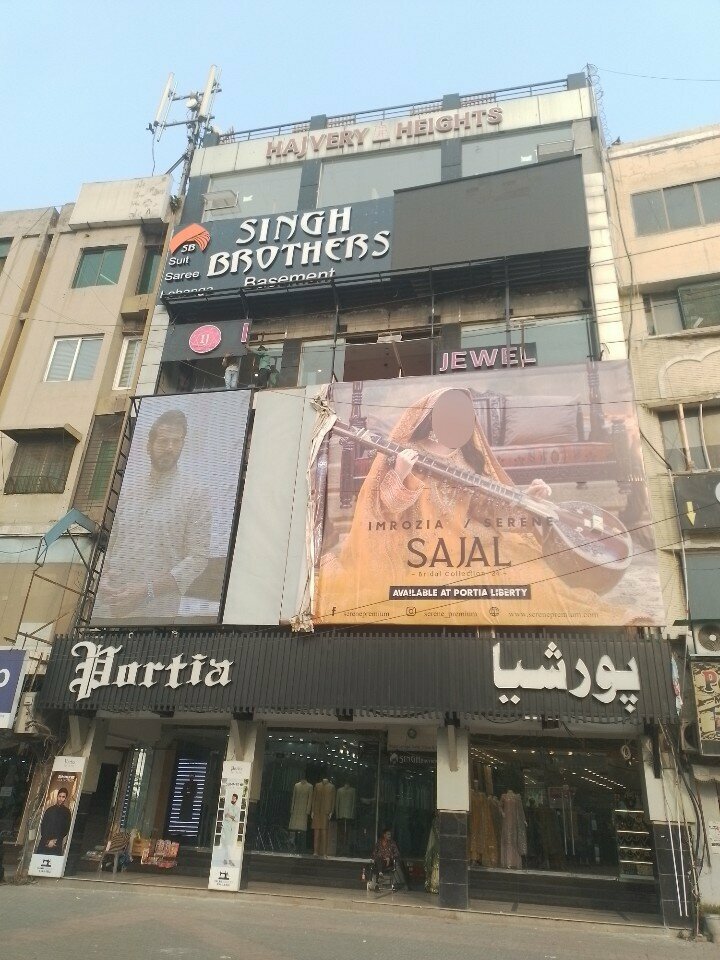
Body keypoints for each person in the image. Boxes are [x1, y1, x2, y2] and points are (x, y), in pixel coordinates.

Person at [315, 386, 635, 626]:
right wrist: (400, 474)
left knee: (530, 578)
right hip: (417, 549)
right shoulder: (404, 450)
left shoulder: (467, 457)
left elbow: (486, 508)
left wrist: (527, 499)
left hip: (468, 544)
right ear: (431, 417)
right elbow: (383, 510)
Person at [93, 408, 212, 624]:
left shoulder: (196, 494)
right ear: (148, 446)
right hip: (107, 610)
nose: (170, 448)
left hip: (156, 616)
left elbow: (197, 558)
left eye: (176, 442)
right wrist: (101, 580)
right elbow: (109, 550)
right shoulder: (128, 493)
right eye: (163, 441)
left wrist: (145, 591)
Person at [36, 787, 72, 856]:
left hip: (57, 842)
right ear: (57, 796)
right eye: (60, 796)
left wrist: (55, 841)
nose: (61, 799)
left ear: (65, 798)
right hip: (45, 842)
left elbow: (66, 829)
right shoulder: (49, 810)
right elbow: (43, 826)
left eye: (63, 797)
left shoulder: (67, 812)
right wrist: (48, 841)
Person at [217, 793, 240, 866]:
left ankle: (225, 859)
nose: (233, 799)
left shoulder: (237, 809)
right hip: (226, 827)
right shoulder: (227, 806)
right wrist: (232, 817)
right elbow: (226, 816)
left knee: (230, 844)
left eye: (234, 798)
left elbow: (237, 819)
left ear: (236, 799)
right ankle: (230, 860)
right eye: (232, 798)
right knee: (227, 844)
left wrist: (231, 816)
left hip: (232, 828)